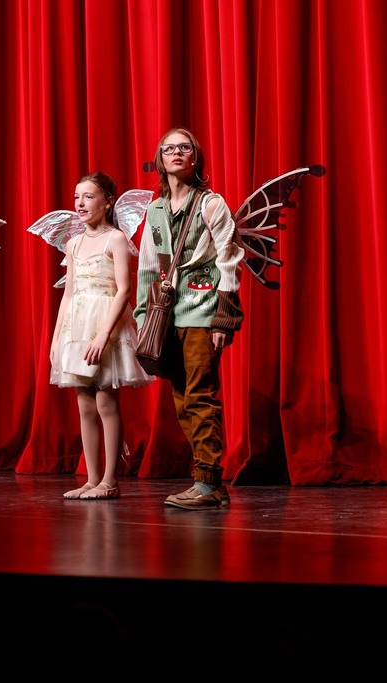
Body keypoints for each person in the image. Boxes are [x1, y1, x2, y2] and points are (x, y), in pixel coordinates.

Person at [133, 128, 245, 510]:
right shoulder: (156, 210)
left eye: (184, 148)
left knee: (200, 394)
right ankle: (203, 479)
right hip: (170, 315)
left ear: (195, 157)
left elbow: (229, 258)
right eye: (169, 148)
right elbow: (148, 267)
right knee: (182, 398)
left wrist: (223, 318)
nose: (177, 153)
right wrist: (143, 316)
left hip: (202, 309)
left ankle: (209, 482)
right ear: (160, 159)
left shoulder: (211, 204)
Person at [49, 172, 153, 500]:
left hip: (106, 323)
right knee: (84, 403)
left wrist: (104, 335)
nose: (80, 203)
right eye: (77, 196)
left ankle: (110, 480)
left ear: (108, 202)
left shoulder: (116, 239)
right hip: (77, 325)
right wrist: (56, 338)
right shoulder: (74, 242)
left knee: (106, 400)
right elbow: (69, 293)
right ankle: (91, 479)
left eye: (89, 196)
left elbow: (124, 290)